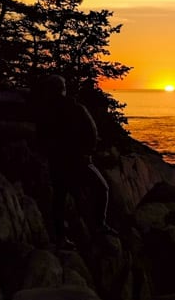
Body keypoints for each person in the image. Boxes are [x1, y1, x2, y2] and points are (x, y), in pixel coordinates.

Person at [32, 74, 114, 250]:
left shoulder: (45, 111)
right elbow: (91, 131)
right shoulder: (74, 107)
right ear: (62, 88)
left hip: (58, 162)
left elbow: (41, 138)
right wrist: (88, 152)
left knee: (59, 200)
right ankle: (99, 226)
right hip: (78, 161)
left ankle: (61, 237)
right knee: (102, 188)